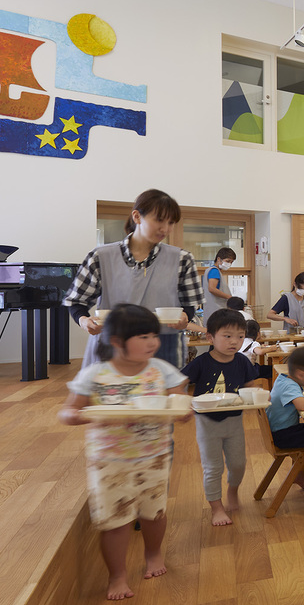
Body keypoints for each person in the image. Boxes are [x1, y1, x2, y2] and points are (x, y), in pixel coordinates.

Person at [58, 304, 192, 600]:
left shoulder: (161, 370)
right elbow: (68, 411)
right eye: (143, 337)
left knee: (154, 514)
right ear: (116, 341)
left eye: (154, 336)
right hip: (109, 462)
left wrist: (183, 411)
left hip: (154, 456)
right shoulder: (95, 374)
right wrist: (78, 416)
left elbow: (180, 401)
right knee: (115, 522)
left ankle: (153, 554)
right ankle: (117, 575)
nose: (152, 342)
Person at [65, 189, 204, 369]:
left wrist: (185, 316)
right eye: (159, 220)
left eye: (171, 222)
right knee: (110, 386)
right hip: (114, 343)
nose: (165, 228)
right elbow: (77, 302)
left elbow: (189, 304)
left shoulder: (182, 259)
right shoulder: (101, 256)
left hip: (163, 343)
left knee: (161, 386)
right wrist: (84, 321)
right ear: (137, 217)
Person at [182, 308, 265, 527]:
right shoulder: (201, 362)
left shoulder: (242, 361)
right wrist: (183, 402)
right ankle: (216, 508)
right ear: (210, 337)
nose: (234, 342)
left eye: (240, 336)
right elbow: (180, 383)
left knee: (238, 464)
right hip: (207, 422)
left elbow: (250, 386)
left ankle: (232, 490)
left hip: (234, 421)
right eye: (227, 336)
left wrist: (256, 397)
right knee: (213, 467)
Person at [203, 247, 236, 321]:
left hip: (213, 309)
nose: (229, 264)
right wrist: (229, 297)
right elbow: (212, 289)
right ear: (219, 259)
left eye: (231, 262)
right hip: (216, 309)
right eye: (228, 261)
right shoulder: (214, 271)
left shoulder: (210, 270)